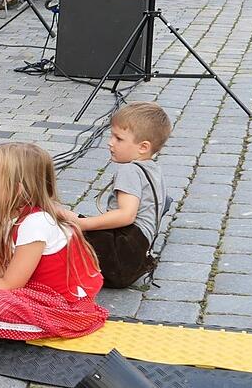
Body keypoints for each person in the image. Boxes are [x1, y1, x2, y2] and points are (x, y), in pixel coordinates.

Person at [0, 142, 107, 340]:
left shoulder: (36, 223)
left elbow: (10, 282)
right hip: (28, 282)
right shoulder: (15, 213)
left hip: (60, 303)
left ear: (16, 190)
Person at [59, 103, 171, 289]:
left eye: (118, 138)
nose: (110, 142)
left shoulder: (129, 170)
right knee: (67, 218)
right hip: (135, 254)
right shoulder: (153, 169)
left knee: (60, 233)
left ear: (143, 147)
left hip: (120, 252)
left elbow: (126, 215)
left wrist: (83, 224)